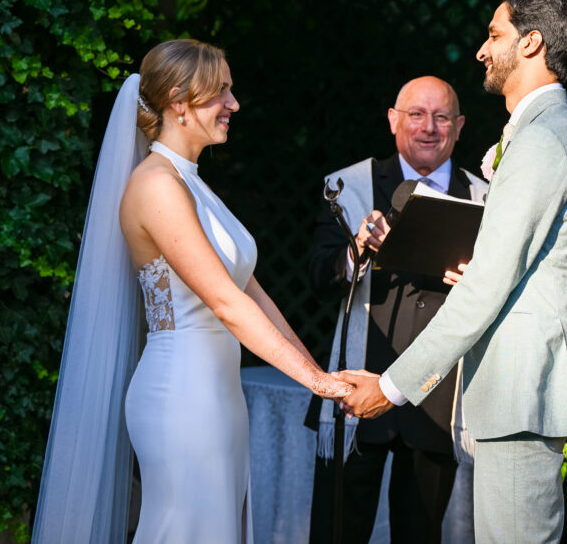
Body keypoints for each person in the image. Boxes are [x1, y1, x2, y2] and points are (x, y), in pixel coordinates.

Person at [32, 39, 351, 543]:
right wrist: (317, 385)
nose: (234, 104)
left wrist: (320, 372)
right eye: (221, 91)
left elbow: (254, 294)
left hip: (218, 393)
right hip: (180, 394)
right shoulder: (157, 185)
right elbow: (225, 302)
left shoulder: (194, 184)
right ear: (179, 102)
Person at [339, 0, 567, 542]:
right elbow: (510, 269)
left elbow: (487, 291)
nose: (482, 49)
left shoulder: (543, 139)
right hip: (513, 392)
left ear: (531, 44)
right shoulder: (537, 132)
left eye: (494, 34)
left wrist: (391, 386)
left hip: (522, 390)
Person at [305, 76, 488, 543]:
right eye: (417, 115)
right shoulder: (349, 184)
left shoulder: (486, 197)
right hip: (357, 393)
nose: (429, 127)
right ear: (393, 120)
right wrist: (355, 254)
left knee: (420, 533)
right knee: (336, 531)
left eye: (442, 116)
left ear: (460, 125)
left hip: (438, 400)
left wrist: (479, 284)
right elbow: (316, 277)